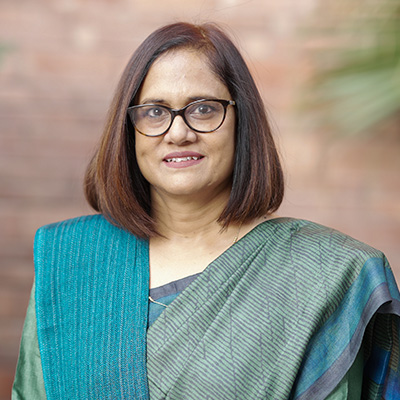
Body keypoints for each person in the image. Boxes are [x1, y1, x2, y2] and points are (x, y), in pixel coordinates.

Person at [12, 22, 400, 400]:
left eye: (203, 109)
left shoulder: (326, 274)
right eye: (154, 112)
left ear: (241, 122)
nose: (178, 133)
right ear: (128, 130)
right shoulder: (72, 260)